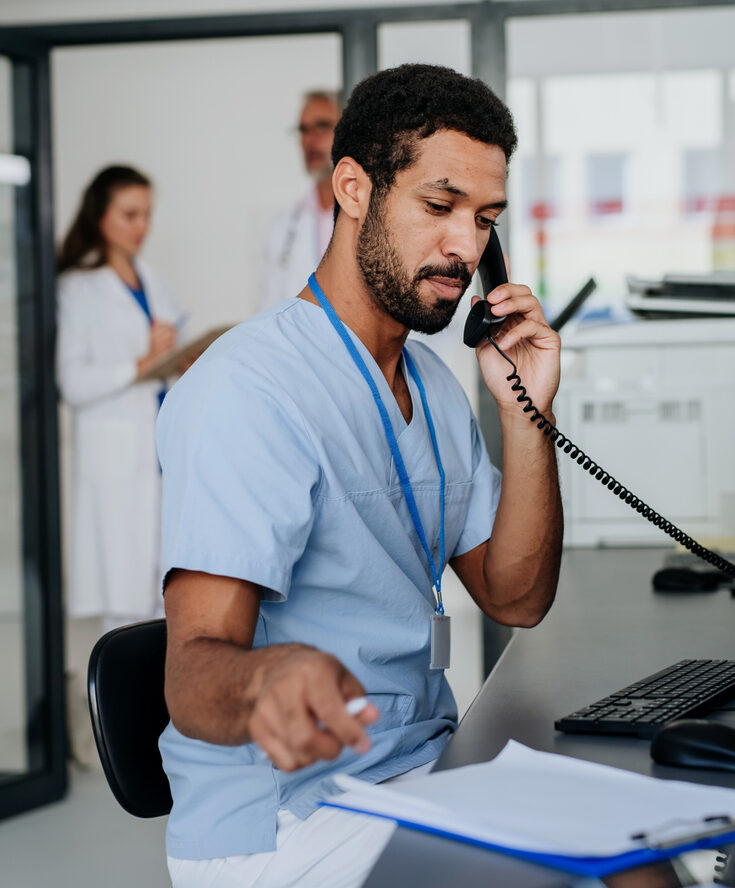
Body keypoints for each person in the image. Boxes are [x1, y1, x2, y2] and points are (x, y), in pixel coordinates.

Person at [159, 64, 564, 888]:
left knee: (641, 860)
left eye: (486, 220)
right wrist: (269, 677)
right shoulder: (250, 389)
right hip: (289, 819)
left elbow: (516, 596)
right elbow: (192, 674)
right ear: (353, 189)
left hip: (419, 766)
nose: (467, 247)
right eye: (439, 206)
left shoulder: (439, 387)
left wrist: (527, 408)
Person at [56, 165, 182, 632]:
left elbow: (164, 355)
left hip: (156, 452)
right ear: (100, 217)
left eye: (147, 215)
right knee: (124, 605)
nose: (141, 227)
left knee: (164, 596)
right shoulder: (76, 288)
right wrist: (141, 364)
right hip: (117, 460)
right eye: (130, 214)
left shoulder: (152, 278)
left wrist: (180, 360)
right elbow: (72, 383)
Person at [259, 89, 341, 310]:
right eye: (303, 130)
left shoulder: (374, 216)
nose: (309, 140)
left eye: (322, 126)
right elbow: (267, 314)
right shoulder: (281, 228)